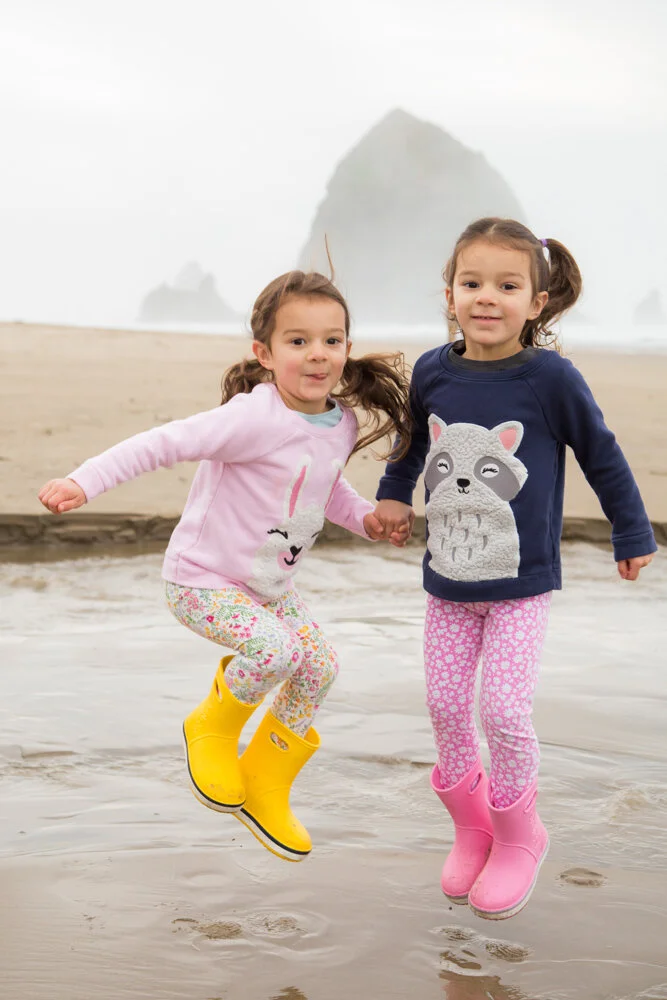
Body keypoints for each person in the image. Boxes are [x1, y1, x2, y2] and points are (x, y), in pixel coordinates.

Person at [38, 270, 412, 863]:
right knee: (276, 652)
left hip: (267, 586)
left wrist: (365, 519)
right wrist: (84, 481)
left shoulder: (339, 421)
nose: (318, 354)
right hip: (202, 581)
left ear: (345, 346)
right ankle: (210, 726)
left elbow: (324, 488)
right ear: (263, 353)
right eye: (297, 341)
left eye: (332, 340)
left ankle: (266, 783)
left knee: (319, 666)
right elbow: (160, 443)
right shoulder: (251, 418)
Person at [373, 217, 656, 919]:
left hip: (521, 586)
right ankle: (472, 830)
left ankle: (519, 835)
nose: (486, 298)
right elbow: (414, 446)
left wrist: (629, 530)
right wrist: (390, 497)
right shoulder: (434, 370)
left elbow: (601, 452)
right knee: (442, 706)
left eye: (506, 285)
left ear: (535, 302)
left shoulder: (549, 378)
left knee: (501, 710)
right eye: (472, 283)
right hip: (448, 581)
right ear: (449, 294)